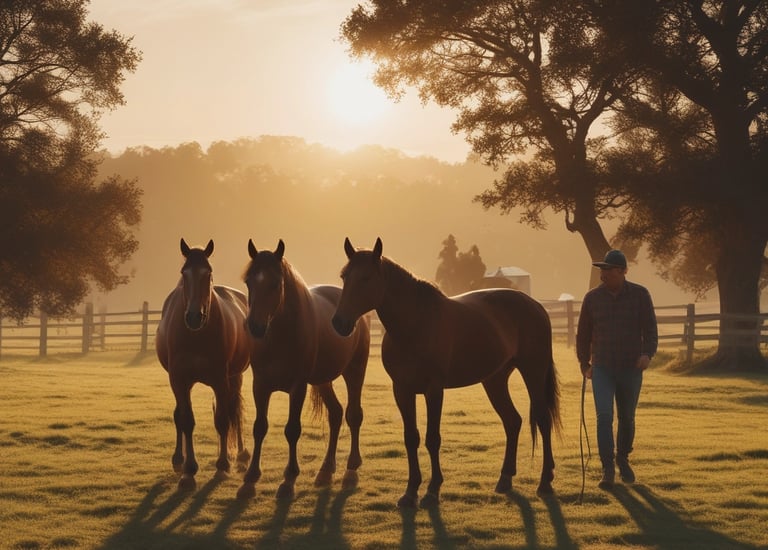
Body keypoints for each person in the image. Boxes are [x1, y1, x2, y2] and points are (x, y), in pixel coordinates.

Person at [576, 249, 658, 489]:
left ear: (622, 271)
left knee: (627, 417)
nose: (603, 275)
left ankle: (623, 457)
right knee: (604, 415)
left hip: (631, 367)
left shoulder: (641, 295)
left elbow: (651, 331)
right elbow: (583, 335)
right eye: (602, 271)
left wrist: (647, 354)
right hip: (602, 366)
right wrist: (584, 363)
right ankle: (608, 468)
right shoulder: (592, 298)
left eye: (608, 271)